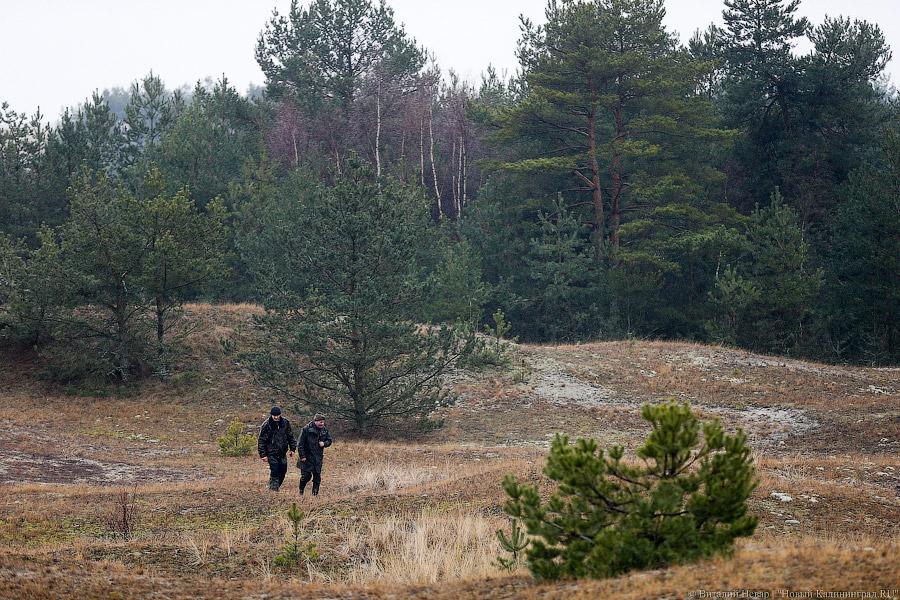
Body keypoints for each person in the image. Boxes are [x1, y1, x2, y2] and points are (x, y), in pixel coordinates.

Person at [257, 406, 296, 491]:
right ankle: (273, 490)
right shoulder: (266, 425)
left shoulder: (285, 422)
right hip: (271, 452)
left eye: (277, 415)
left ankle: (275, 486)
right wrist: (263, 455)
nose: (276, 417)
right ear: (271, 415)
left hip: (282, 452)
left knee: (283, 470)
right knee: (274, 470)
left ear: (280, 415)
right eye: (274, 415)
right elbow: (261, 440)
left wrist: (292, 449)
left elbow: (290, 436)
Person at [297, 414, 332, 496]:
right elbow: (300, 444)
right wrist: (302, 456)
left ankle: (315, 494)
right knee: (306, 476)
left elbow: (329, 440)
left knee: (317, 477)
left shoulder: (324, 430)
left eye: (323, 422)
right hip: (306, 457)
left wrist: (324, 443)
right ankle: (301, 490)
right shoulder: (306, 429)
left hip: (318, 458)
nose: (322, 424)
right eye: (320, 422)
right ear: (315, 421)